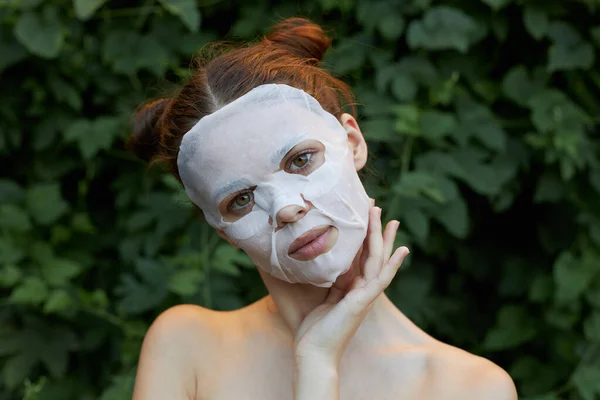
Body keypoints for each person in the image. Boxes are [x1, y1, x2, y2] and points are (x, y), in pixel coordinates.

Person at [128, 17, 517, 400]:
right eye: (240, 200)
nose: (286, 208)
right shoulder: (187, 347)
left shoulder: (470, 389)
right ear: (222, 231)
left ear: (353, 142)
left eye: (301, 160)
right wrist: (315, 365)